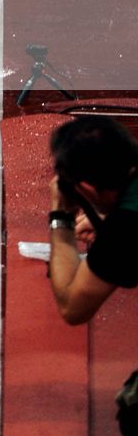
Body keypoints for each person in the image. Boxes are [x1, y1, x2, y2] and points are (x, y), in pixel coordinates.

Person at [48, 115, 138, 330]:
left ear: (86, 188)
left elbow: (72, 309)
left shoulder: (125, 229)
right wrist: (107, 218)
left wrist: (61, 218)